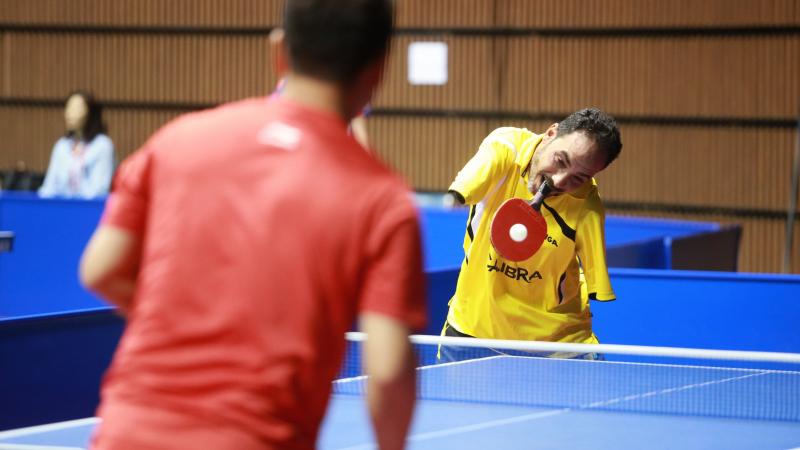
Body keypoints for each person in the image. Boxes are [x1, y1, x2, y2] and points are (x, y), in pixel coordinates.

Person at [79, 1, 426, 449]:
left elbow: (100, 270)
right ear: (378, 71)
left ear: (278, 53)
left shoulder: (178, 139)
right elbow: (387, 371)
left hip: (126, 434)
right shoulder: (383, 201)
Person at [440, 108, 622, 361]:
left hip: (556, 345)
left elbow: (596, 280)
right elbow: (485, 163)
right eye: (560, 160)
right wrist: (457, 194)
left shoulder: (586, 206)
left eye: (578, 178)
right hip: (474, 330)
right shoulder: (508, 148)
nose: (559, 181)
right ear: (550, 134)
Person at [38, 90, 114, 199]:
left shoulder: (103, 146)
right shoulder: (61, 146)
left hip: (90, 212)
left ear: (90, 113)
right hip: (61, 211)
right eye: (68, 108)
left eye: (76, 109)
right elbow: (48, 188)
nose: (70, 114)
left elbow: (100, 191)